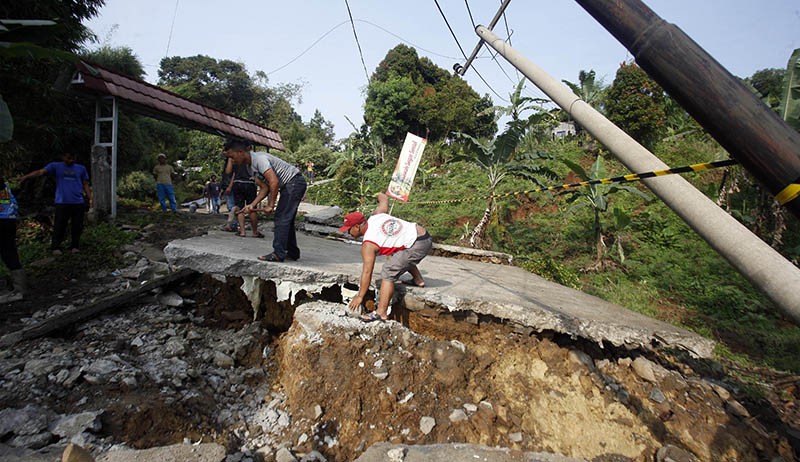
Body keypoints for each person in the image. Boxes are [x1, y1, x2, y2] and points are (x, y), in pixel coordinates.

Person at [341, 192, 433, 322]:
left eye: (348, 229)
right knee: (397, 253)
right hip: (423, 236)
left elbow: (367, 272)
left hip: (418, 245)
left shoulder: (368, 245)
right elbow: (384, 200)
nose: (348, 233)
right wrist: (379, 194)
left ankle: (381, 313)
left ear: (357, 226)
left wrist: (360, 296)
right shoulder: (376, 215)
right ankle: (418, 280)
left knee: (388, 271)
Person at [223, 138, 307, 262]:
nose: (233, 161)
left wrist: (270, 204)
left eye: (233, 157)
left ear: (241, 152)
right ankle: (292, 252)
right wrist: (252, 204)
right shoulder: (250, 167)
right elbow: (264, 187)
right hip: (290, 184)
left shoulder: (259, 159)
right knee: (286, 219)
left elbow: (274, 182)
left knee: (282, 218)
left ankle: (278, 253)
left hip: (294, 182)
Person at [17, 152, 93, 255]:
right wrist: (26, 177)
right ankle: (56, 247)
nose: (71, 160)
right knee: (60, 224)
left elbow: (85, 184)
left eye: (73, 158)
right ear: (63, 157)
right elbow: (40, 172)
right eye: (68, 158)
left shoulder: (81, 168)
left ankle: (75, 246)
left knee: (77, 225)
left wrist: (90, 198)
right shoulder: (55, 166)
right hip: (62, 202)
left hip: (77, 201)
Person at [0, 175, 27, 303]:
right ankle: (19, 289)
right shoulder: (5, 188)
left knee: (7, 253)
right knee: (10, 252)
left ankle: (7, 288)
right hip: (9, 220)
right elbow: (14, 204)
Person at [223, 156, 260, 237]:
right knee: (252, 208)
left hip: (238, 183)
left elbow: (231, 173)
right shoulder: (250, 157)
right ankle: (255, 232)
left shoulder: (235, 158)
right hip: (250, 183)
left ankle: (242, 232)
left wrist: (230, 186)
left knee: (240, 208)